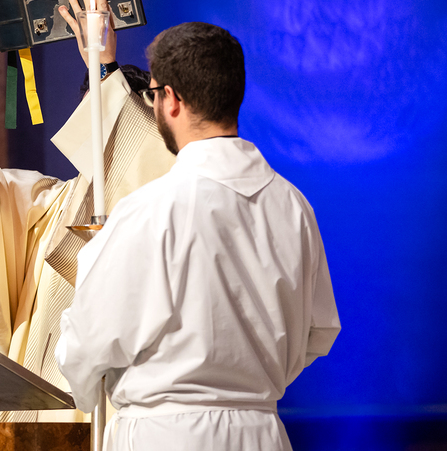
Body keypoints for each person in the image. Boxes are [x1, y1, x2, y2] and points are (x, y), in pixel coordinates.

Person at [56, 22, 341, 450]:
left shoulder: (150, 209)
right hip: (260, 432)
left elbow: (88, 341)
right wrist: (248, 384)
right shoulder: (293, 205)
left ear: (171, 99)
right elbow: (318, 331)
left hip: (167, 434)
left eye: (153, 93)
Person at [0, 0, 177, 422]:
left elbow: (147, 159)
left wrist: (104, 67)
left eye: (107, 110)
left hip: (107, 411)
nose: (96, 125)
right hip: (34, 404)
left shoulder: (157, 201)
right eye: (90, 108)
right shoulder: (50, 204)